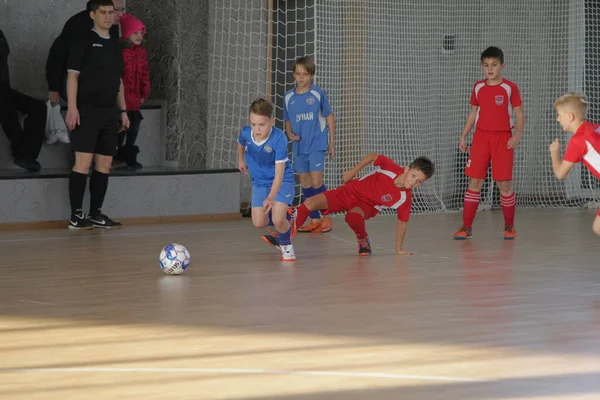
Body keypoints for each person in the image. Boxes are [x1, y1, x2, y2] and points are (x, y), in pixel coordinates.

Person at [266, 153, 435, 256]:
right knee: (309, 202)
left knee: (352, 217)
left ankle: (363, 240)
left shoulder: (404, 198)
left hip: (366, 206)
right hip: (348, 191)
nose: (414, 183)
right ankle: (283, 236)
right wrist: (353, 171)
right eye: (413, 176)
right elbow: (373, 156)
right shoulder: (390, 167)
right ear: (407, 169)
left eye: (419, 182)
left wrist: (399, 249)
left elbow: (402, 224)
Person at [65, 0, 130, 230]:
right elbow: (72, 76)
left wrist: (123, 111)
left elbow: (118, 81)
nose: (108, 17)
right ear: (92, 15)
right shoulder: (82, 41)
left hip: (109, 112)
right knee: (83, 164)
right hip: (87, 110)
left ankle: (95, 214)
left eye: (111, 13)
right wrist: (72, 108)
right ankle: (76, 216)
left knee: (104, 164)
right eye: (103, 12)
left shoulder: (114, 44)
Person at [454, 46, 525, 240]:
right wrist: (463, 136)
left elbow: (519, 114)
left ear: (502, 65)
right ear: (481, 67)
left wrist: (517, 135)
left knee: (504, 184)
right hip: (481, 138)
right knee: (475, 181)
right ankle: (466, 227)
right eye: (486, 65)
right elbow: (473, 113)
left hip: (503, 139)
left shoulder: (510, 87)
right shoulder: (478, 86)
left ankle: (509, 226)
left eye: (494, 65)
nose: (490, 69)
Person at [237, 98, 297, 261]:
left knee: (278, 220)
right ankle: (285, 215)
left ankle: (286, 246)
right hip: (260, 181)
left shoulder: (279, 139)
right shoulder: (245, 132)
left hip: (282, 179)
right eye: (253, 124)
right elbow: (241, 143)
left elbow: (279, 173)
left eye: (261, 125)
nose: (257, 129)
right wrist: (241, 159)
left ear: (272, 122)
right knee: (258, 222)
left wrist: (271, 197)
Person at [283, 56, 336, 233]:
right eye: (297, 74)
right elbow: (287, 120)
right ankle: (314, 220)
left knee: (316, 180)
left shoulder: (318, 94)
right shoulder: (288, 97)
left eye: (305, 74)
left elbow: (329, 117)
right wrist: (290, 134)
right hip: (299, 146)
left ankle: (326, 217)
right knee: (305, 182)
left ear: (311, 75)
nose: (301, 77)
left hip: (317, 144)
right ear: (293, 75)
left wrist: (331, 143)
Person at [46, 0, 124, 104]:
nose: (120, 15)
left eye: (120, 10)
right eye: (115, 10)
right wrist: (54, 87)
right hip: (75, 80)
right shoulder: (78, 24)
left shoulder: (112, 26)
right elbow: (58, 54)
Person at [550, 92, 600, 236]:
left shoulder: (578, 140)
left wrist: (554, 153)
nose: (557, 119)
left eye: (559, 115)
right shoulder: (594, 126)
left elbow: (560, 174)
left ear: (570, 116)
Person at [0, 29, 46, 172]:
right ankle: (22, 152)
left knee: (38, 108)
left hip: (3, 87)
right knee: (5, 105)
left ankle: (25, 153)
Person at [114, 13, 150, 169]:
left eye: (141, 33)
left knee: (134, 125)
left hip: (134, 99)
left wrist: (145, 92)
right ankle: (116, 154)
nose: (139, 36)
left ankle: (127, 152)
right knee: (122, 128)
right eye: (135, 33)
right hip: (122, 99)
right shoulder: (121, 53)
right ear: (127, 34)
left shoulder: (141, 53)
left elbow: (144, 74)